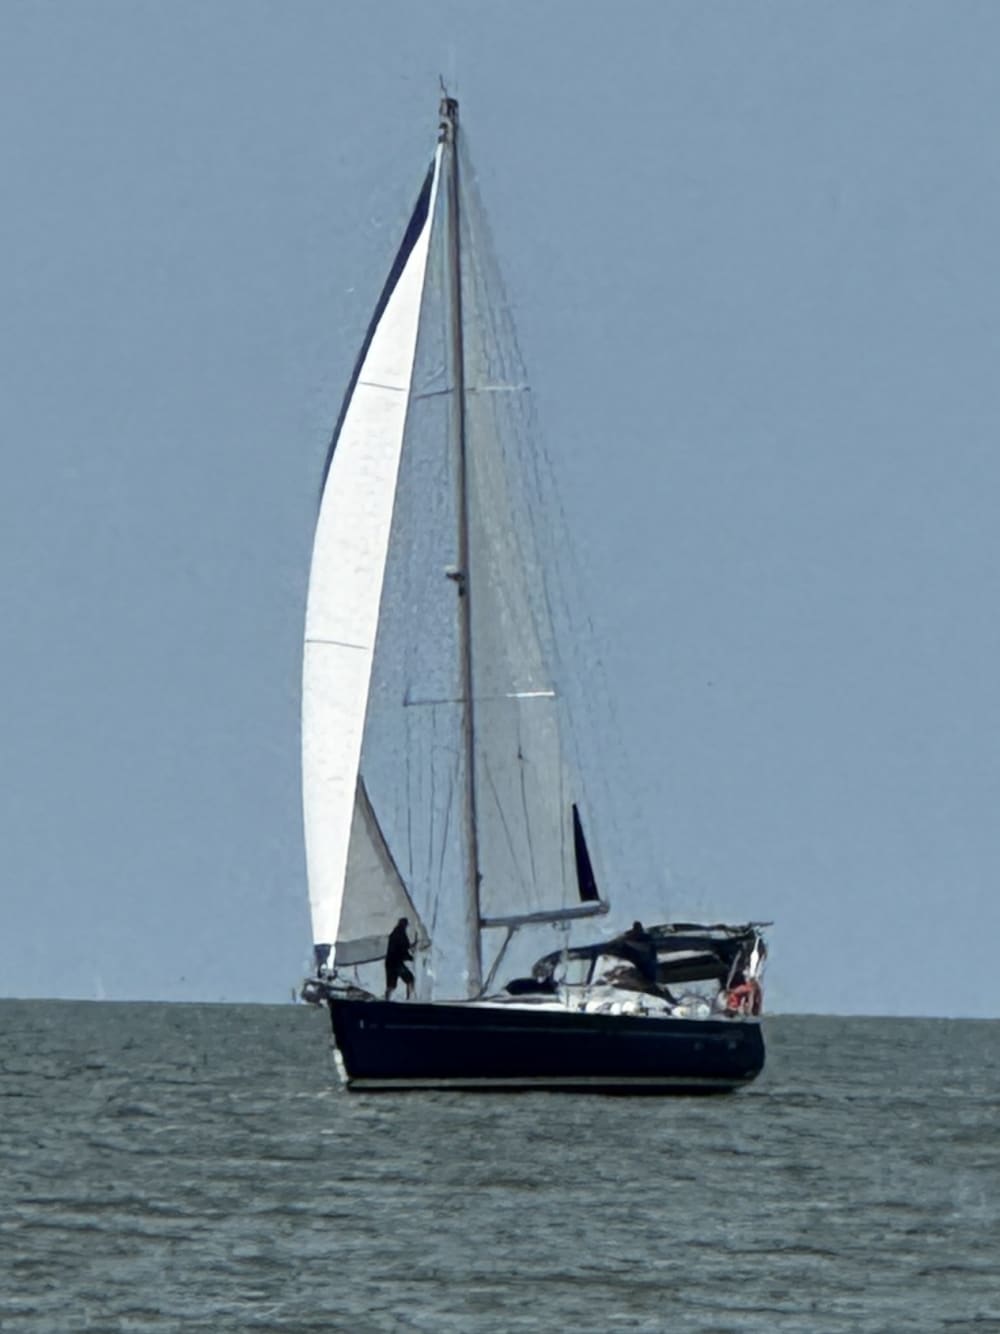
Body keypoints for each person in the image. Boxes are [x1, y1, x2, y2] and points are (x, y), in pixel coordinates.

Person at [384, 917, 415, 1000]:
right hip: (396, 963)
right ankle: (410, 999)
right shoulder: (401, 934)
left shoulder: (394, 933)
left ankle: (387, 1000)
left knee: (391, 985)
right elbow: (403, 949)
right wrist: (410, 957)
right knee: (410, 979)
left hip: (390, 962)